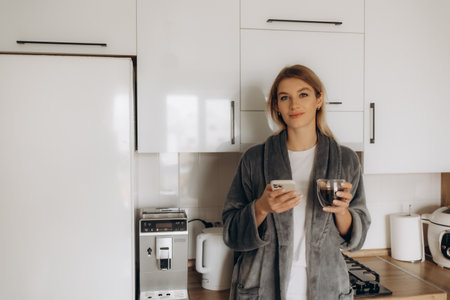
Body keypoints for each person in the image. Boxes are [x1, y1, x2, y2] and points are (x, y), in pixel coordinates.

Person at [222, 64, 371, 300]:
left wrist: (342, 212)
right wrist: (261, 207)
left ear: (318, 99)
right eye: (285, 97)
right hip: (262, 289)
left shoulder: (346, 160)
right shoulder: (254, 159)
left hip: (327, 288)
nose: (294, 104)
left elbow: (356, 239)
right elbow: (231, 233)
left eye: (303, 94)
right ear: (276, 106)